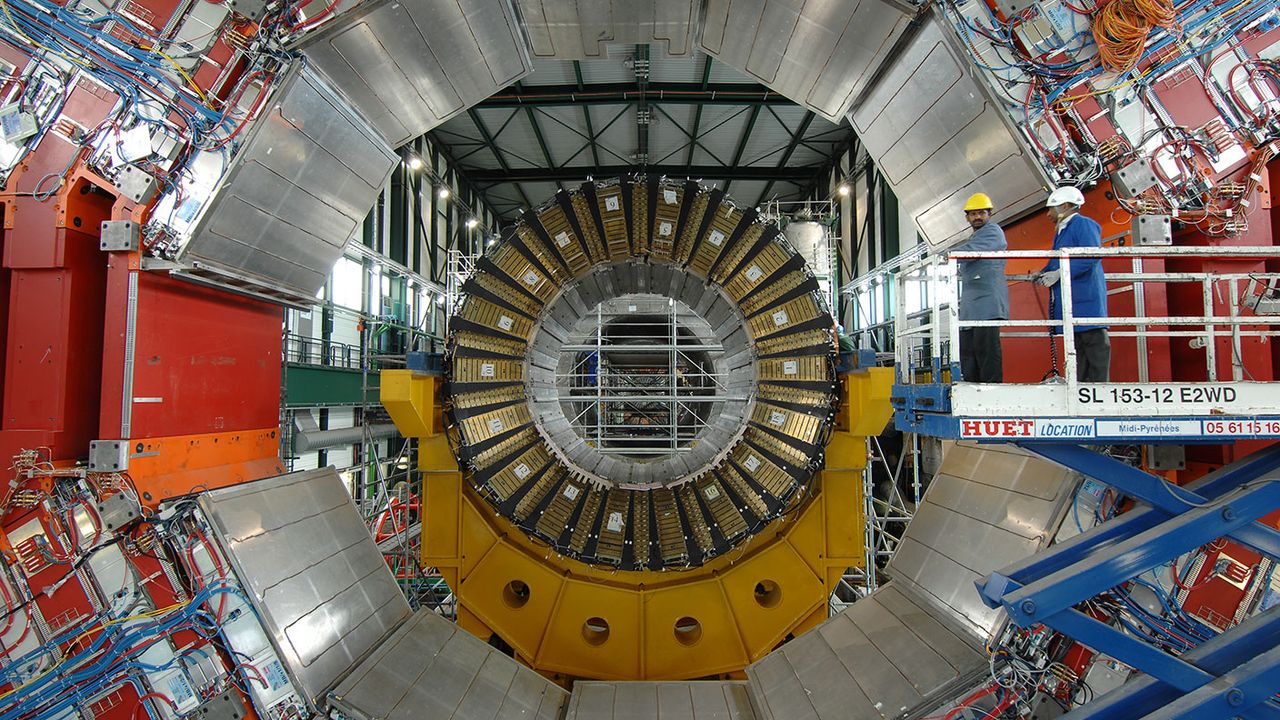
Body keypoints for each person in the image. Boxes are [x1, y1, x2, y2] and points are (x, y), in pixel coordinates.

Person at [1035, 186, 1110, 382]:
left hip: (1086, 299)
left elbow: (1091, 256)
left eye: (1051, 208)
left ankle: (1098, 392)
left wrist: (1060, 273)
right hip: (1073, 304)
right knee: (1080, 350)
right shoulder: (1062, 230)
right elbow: (1057, 260)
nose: (1048, 213)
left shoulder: (1083, 224)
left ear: (1066, 206)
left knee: (1095, 345)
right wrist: (1043, 273)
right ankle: (1084, 391)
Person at [953, 193, 1009, 382]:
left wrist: (947, 255)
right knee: (969, 354)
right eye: (973, 214)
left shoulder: (993, 232)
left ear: (989, 214)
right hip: (971, 308)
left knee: (987, 352)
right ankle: (972, 391)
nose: (977, 217)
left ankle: (992, 394)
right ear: (967, 217)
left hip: (987, 304)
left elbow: (973, 251)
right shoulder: (974, 237)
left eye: (981, 213)